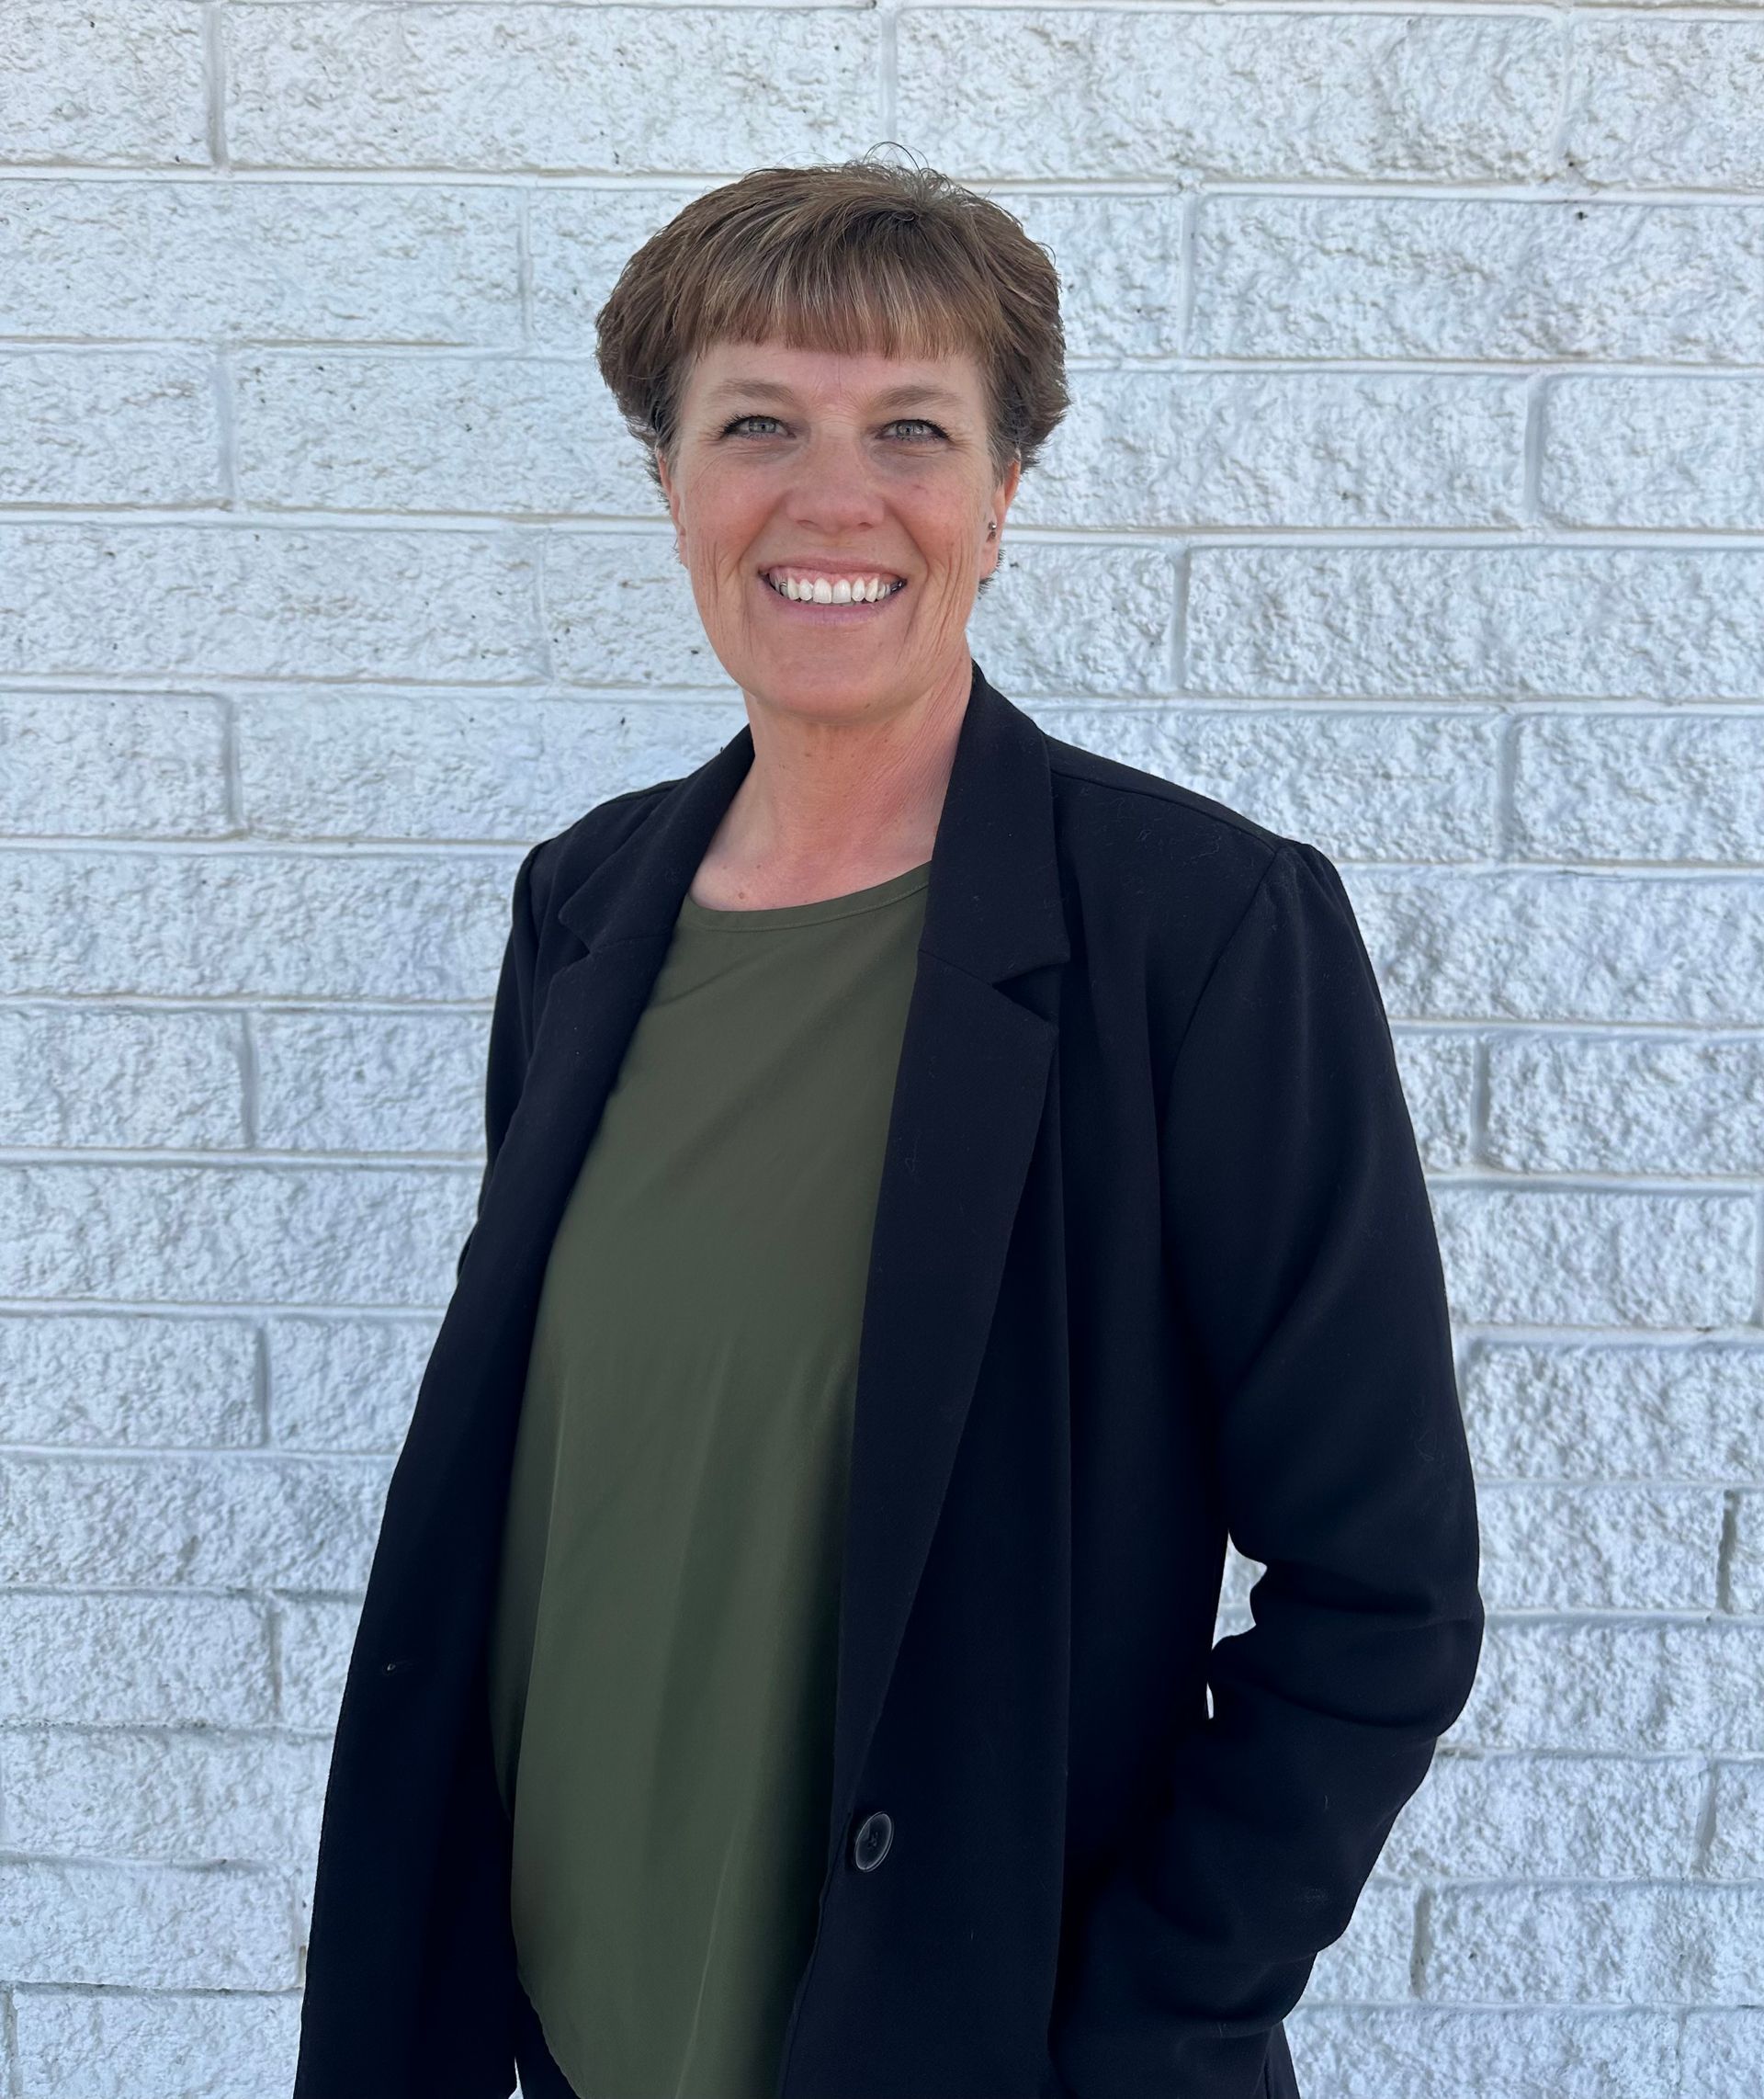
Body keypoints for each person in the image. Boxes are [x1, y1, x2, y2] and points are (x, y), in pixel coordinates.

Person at [293, 154, 1484, 2099]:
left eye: (910, 430)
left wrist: (1145, 2021)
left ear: (1003, 496)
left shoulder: (1196, 932)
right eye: (756, 420)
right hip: (564, 2038)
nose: (829, 496)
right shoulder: (584, 910)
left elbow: (1383, 1592)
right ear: (672, 480)